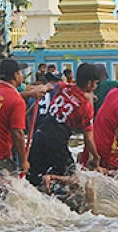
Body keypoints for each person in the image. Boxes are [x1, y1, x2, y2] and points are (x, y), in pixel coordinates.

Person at [28, 62, 101, 191]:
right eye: (95, 84)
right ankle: (51, 178)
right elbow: (88, 138)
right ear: (89, 84)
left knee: (32, 180)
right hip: (57, 142)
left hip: (40, 134)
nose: (96, 87)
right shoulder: (86, 106)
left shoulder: (63, 87)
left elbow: (54, 86)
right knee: (75, 179)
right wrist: (96, 157)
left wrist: (46, 87)